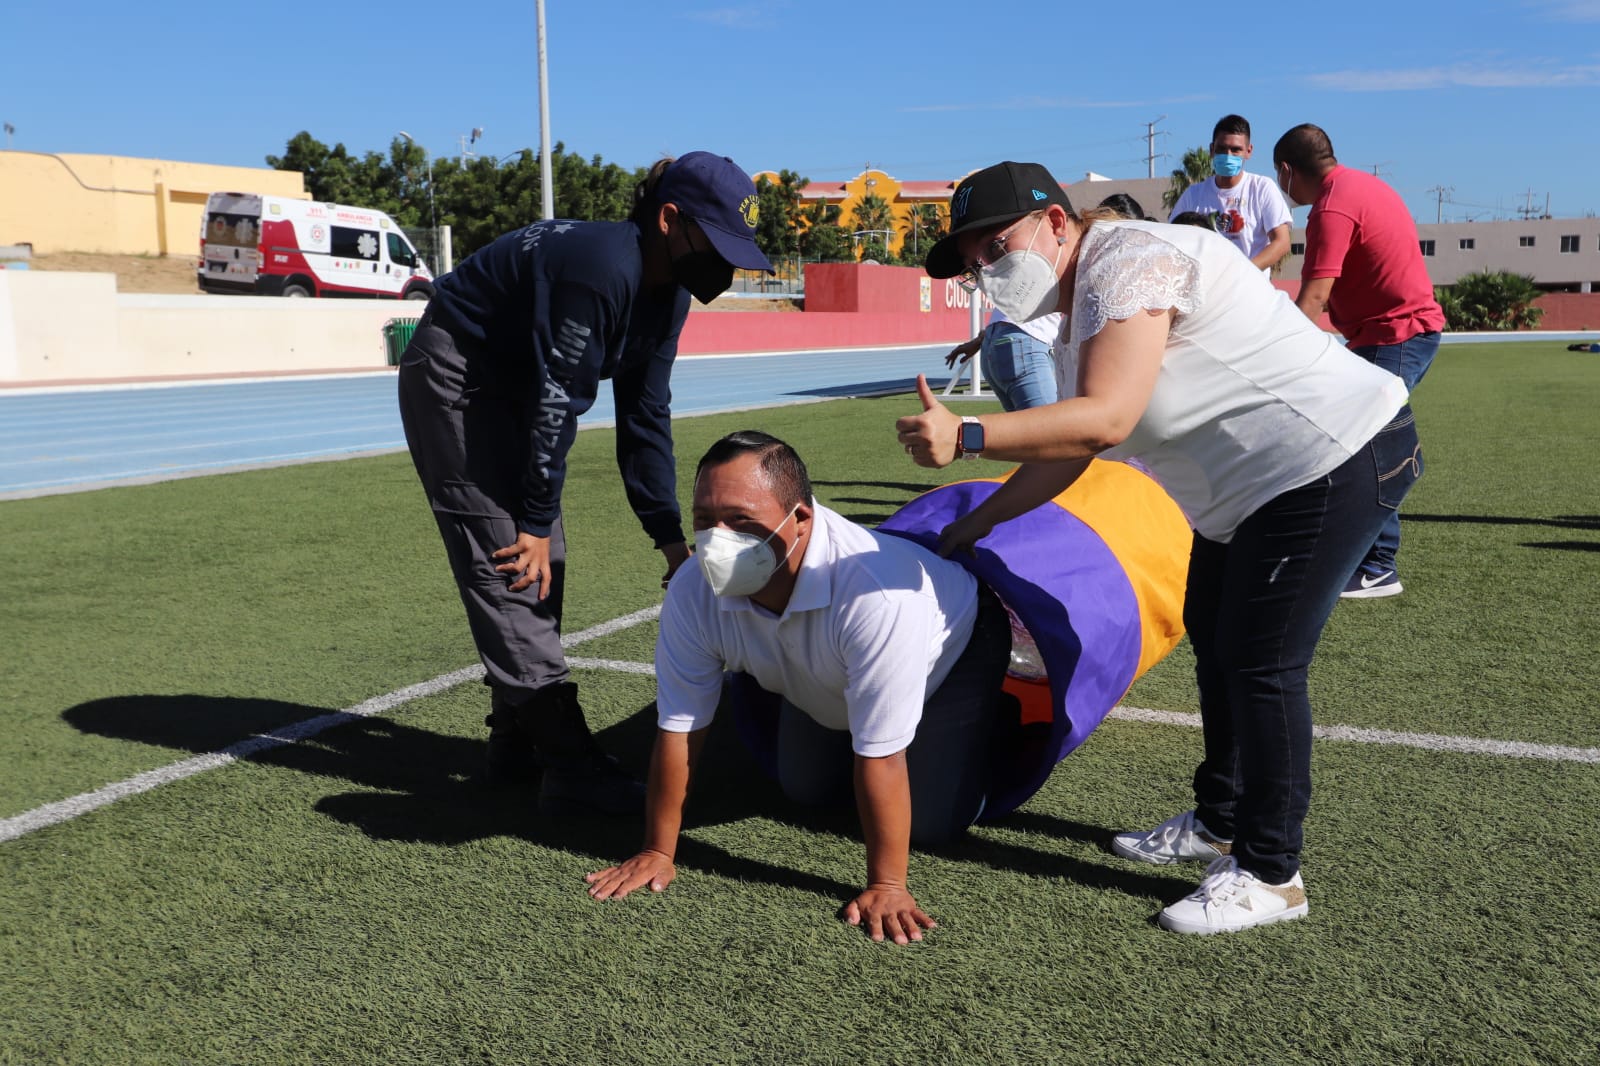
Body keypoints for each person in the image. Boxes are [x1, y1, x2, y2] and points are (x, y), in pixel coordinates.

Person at [898, 160, 1420, 934]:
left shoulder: (1128, 259)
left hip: (1331, 459)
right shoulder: (1079, 314)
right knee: (1215, 640)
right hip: (1249, 493)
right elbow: (1069, 451)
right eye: (971, 259)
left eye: (994, 243)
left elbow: (1105, 420)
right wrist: (974, 525)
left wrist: (967, 434)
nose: (984, 268)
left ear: (1054, 222)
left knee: (1261, 663)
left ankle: (1273, 872)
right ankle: (1221, 822)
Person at [397, 152, 774, 816]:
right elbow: (555, 404)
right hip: (459, 375)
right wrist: (534, 524)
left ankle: (516, 743)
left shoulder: (671, 293)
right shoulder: (601, 268)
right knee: (512, 559)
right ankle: (571, 767)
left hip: (518, 388)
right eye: (716, 244)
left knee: (546, 561)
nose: (726, 264)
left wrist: (670, 541)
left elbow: (645, 414)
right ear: (669, 220)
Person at [584, 431, 1012, 944]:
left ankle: (989, 724)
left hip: (956, 646)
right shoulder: (693, 587)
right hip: (833, 666)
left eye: (741, 520)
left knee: (933, 825)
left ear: (801, 518)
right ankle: (855, 706)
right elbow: (680, 727)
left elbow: (881, 757)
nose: (718, 539)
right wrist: (658, 850)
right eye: (704, 521)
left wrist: (887, 884)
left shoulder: (877, 597)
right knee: (805, 789)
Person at [1275, 124, 1446, 599]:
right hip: (1391, 333)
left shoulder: (1330, 207)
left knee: (1367, 441)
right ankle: (1371, 558)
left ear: (1287, 170)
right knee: (1363, 437)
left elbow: (1313, 299)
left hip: (1396, 334)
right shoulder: (1364, 184)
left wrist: (1267, 355)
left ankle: (1378, 566)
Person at [1169, 114, 1292, 273]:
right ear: (1212, 150)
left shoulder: (1261, 188)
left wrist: (1243, 273)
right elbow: (1171, 239)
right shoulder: (1193, 195)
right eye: (1221, 149)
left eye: (1236, 150)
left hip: (1250, 290)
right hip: (1208, 290)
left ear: (1248, 151)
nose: (1228, 155)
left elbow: (1282, 243)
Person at [943, 306, 1063, 411]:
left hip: (994, 339)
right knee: (1050, 430)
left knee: (1025, 432)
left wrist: (980, 340)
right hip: (1023, 344)